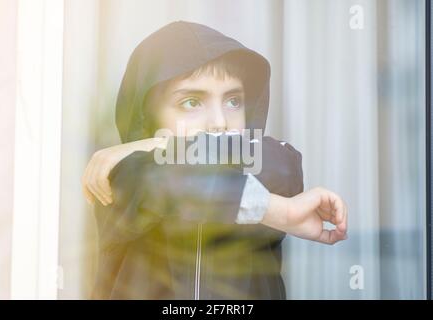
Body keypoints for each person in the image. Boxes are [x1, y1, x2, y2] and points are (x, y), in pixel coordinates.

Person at [82, 21, 348, 299]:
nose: (219, 122)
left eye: (233, 101)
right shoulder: (121, 174)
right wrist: (281, 212)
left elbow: (284, 169)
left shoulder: (269, 161)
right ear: (146, 118)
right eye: (192, 102)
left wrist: (162, 145)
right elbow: (166, 185)